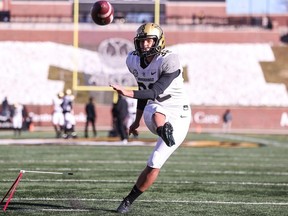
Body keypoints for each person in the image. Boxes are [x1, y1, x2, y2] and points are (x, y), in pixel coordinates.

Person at [110, 22, 191, 214]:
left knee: (155, 161)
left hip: (179, 113)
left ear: (158, 41)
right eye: (142, 41)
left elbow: (155, 90)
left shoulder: (169, 60)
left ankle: (129, 200)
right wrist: (137, 121)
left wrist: (128, 93)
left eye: (149, 40)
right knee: (156, 111)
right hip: (156, 108)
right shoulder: (133, 61)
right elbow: (144, 89)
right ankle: (163, 129)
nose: (145, 45)